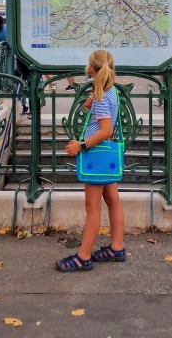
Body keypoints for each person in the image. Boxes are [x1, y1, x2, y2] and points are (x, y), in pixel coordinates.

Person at [56, 49, 125, 272]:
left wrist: (81, 145)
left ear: (90, 70)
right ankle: (117, 247)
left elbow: (105, 130)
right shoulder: (109, 91)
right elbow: (106, 120)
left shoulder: (102, 95)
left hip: (96, 154)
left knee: (92, 208)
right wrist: (93, 102)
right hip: (106, 156)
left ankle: (83, 256)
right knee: (113, 199)